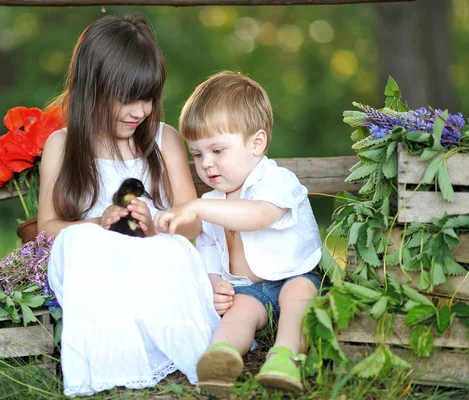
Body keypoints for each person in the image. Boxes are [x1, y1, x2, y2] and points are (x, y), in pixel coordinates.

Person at [39, 14, 220, 397]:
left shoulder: (162, 140)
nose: (139, 111)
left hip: (151, 255)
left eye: (148, 98)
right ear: (92, 89)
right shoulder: (61, 145)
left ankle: (166, 349)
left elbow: (193, 223)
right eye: (126, 98)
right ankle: (111, 359)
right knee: (83, 245)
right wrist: (95, 223)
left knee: (167, 253)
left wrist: (155, 223)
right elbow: (47, 230)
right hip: (98, 259)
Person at [154, 71, 323, 393]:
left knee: (299, 296)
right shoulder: (211, 201)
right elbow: (206, 245)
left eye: (218, 151)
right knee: (238, 315)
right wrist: (212, 278)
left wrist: (198, 209)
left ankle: (286, 356)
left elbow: (258, 215)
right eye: (198, 154)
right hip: (247, 289)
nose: (206, 164)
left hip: (294, 275)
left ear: (256, 143)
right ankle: (221, 357)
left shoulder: (277, 181)